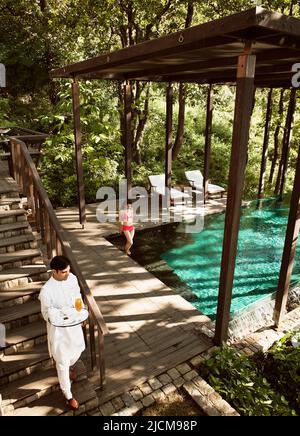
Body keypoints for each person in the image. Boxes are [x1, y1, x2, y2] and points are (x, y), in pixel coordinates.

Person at [39, 255, 85, 411]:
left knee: (77, 352)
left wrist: (80, 308)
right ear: (56, 271)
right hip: (59, 331)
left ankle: (70, 366)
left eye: (68, 270)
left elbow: (77, 294)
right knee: (62, 362)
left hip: (74, 325)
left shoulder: (71, 278)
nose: (68, 274)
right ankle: (68, 396)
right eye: (64, 272)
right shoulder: (47, 291)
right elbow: (45, 314)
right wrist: (57, 314)